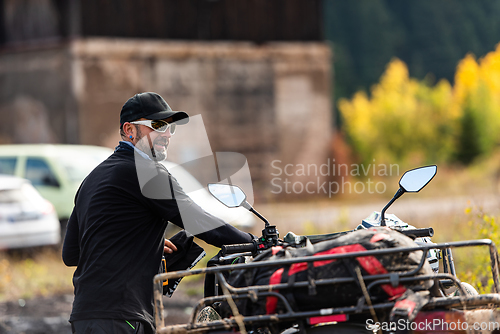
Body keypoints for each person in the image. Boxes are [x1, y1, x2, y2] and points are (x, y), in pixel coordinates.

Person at [62, 92, 253, 334]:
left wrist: (135, 238)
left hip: (85, 315)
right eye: (158, 126)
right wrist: (255, 244)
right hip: (122, 317)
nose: (167, 134)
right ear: (130, 130)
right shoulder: (146, 172)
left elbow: (71, 254)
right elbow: (198, 219)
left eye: (171, 128)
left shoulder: (92, 178)